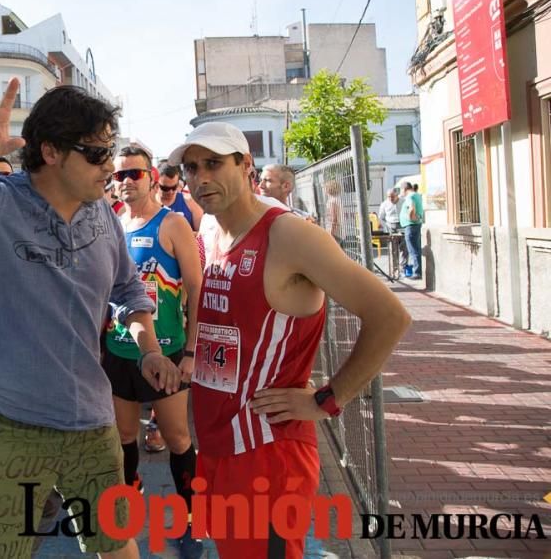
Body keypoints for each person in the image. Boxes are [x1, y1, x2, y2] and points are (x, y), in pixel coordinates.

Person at [0, 68, 181, 558]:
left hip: (91, 420)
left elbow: (128, 288)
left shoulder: (101, 213)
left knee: (115, 543)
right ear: (50, 152)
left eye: (110, 150)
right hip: (8, 424)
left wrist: (148, 347)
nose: (108, 165)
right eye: (95, 153)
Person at [166, 122, 410, 559]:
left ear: (246, 166)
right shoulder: (209, 232)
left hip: (267, 452)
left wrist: (326, 400)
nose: (200, 178)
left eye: (214, 163)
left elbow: (390, 316)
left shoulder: (289, 234)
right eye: (191, 167)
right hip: (218, 445)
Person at [105, 145, 204, 559]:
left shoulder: (173, 223)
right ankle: (130, 502)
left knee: (179, 439)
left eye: (134, 174)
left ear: (150, 177)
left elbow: (196, 288)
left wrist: (191, 351)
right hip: (118, 351)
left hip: (166, 354)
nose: (126, 182)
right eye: (120, 175)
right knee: (125, 437)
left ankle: (191, 522)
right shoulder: (111, 224)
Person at [157, 163, 203, 231]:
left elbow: (203, 234)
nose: (170, 192)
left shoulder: (190, 202)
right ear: (156, 183)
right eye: (165, 188)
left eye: (174, 187)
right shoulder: (148, 204)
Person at [400, 182, 423, 280]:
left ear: (404, 189)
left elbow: (412, 208)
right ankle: (417, 271)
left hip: (411, 225)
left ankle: (416, 272)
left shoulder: (410, 196)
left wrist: (411, 218)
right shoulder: (417, 195)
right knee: (415, 248)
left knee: (413, 249)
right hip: (415, 225)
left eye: (401, 190)